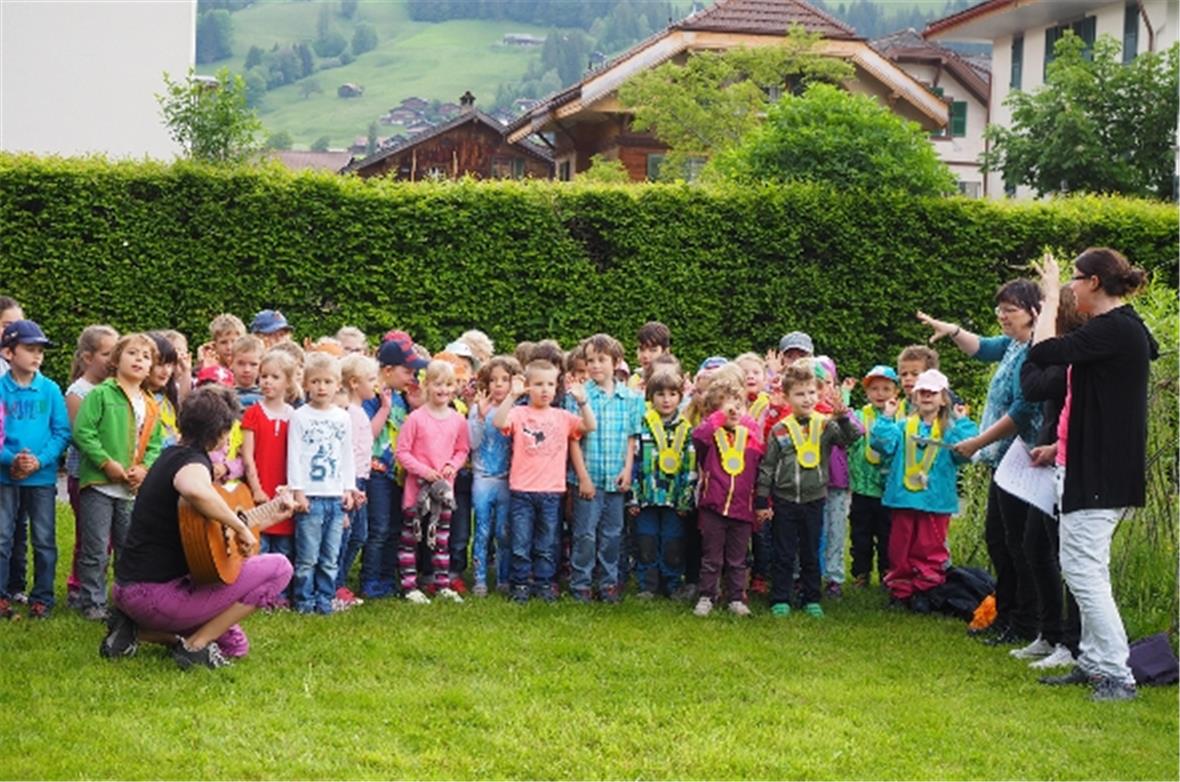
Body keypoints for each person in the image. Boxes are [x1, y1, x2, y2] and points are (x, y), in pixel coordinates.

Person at [1028, 249, 1156, 702]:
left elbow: (1042, 352)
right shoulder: (1119, 329)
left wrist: (1048, 298)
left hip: (1099, 472)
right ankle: (1095, 661)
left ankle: (1117, 675)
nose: (1070, 288)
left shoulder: (1114, 328)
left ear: (1095, 283)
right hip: (1088, 464)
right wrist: (1058, 446)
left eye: (1075, 279)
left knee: (1084, 571)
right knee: (1083, 567)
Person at [104, 385, 294, 670]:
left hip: (131, 589)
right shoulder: (193, 463)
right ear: (220, 432)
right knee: (279, 568)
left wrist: (274, 512)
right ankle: (194, 647)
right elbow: (194, 489)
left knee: (235, 646)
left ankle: (138, 630)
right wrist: (239, 527)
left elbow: (208, 531)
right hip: (154, 595)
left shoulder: (170, 455)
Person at [918, 279, 1043, 646]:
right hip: (1000, 461)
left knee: (1017, 545)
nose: (1002, 316)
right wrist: (952, 330)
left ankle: (1026, 622)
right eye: (999, 309)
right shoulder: (1013, 344)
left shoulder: (1036, 351)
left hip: (1022, 460)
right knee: (1000, 540)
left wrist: (977, 442)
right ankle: (1006, 614)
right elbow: (984, 348)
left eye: (1010, 310)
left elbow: (1023, 411)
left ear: (1034, 312)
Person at [1016, 285, 1086, 671]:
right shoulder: (1062, 351)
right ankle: (1050, 632)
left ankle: (1073, 642)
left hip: (1066, 463)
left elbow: (1034, 386)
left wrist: (1035, 350)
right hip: (1047, 457)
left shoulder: (1070, 353)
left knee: (1068, 555)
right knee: (1035, 545)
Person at [73, 333, 165, 621]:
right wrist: (105, 462)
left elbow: (155, 443)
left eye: (146, 356)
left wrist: (145, 468)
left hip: (131, 490)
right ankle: (92, 601)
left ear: (150, 368)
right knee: (96, 547)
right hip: (99, 486)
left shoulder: (150, 404)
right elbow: (83, 432)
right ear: (116, 360)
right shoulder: (101, 394)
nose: (139, 359)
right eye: (132, 353)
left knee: (128, 547)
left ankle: (126, 601)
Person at [755, 359, 857, 619]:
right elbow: (768, 466)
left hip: (815, 499)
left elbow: (850, 439)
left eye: (811, 392)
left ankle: (812, 597)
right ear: (787, 397)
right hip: (785, 499)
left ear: (819, 393)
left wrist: (843, 417)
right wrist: (762, 499)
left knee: (811, 550)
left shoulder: (826, 425)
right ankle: (781, 597)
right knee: (784, 551)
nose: (807, 398)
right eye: (800, 394)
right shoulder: (779, 430)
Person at [870, 369, 977, 610]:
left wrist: (963, 421)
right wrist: (886, 417)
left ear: (944, 399)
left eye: (933, 392)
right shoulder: (902, 426)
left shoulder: (950, 430)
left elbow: (966, 451)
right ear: (914, 397)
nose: (927, 396)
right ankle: (901, 590)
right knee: (900, 548)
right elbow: (881, 444)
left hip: (935, 501)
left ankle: (927, 590)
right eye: (922, 392)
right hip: (903, 498)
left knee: (930, 547)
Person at [494, 359, 593, 603]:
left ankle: (545, 583)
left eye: (550, 384)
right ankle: (520, 584)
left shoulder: (563, 416)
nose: (545, 389)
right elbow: (499, 422)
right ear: (527, 386)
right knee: (520, 542)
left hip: (551, 492)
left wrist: (582, 402)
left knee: (547, 542)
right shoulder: (519, 413)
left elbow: (590, 425)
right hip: (522, 491)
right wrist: (512, 396)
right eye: (538, 384)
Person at [0, 320, 71, 620]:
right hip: (5, 477)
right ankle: (2, 595)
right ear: (8, 352)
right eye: (30, 349)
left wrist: (39, 461)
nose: (37, 356)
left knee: (43, 539)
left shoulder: (50, 389)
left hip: (41, 478)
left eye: (40, 351)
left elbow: (62, 432)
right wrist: (11, 459)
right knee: (2, 537)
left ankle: (42, 597)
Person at [567, 334, 643, 603]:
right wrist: (583, 477)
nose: (595, 365)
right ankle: (581, 583)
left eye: (602, 360)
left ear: (617, 362)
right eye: (590, 361)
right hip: (588, 478)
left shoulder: (631, 398)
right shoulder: (579, 395)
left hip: (615, 478)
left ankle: (608, 583)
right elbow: (573, 439)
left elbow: (632, 438)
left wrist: (627, 470)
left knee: (612, 534)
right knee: (585, 534)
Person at [286, 353, 361, 615]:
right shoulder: (300, 416)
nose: (321, 387)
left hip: (335, 496)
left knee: (330, 555)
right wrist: (298, 491)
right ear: (306, 384)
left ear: (337, 384)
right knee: (308, 556)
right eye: (315, 381)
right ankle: (304, 601)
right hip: (311, 495)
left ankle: (325, 599)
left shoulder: (342, 417)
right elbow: (294, 455)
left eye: (328, 382)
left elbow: (347, 455)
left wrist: (348, 488)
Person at [395, 360, 470, 604]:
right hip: (417, 492)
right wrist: (424, 471)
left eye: (448, 384)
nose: (443, 390)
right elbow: (402, 452)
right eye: (437, 384)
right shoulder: (415, 418)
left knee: (441, 540)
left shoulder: (458, 420)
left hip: (444, 491)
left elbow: (462, 450)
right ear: (427, 385)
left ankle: (442, 584)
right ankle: (409, 585)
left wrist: (452, 466)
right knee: (411, 538)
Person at [359, 331, 427, 599]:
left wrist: (416, 405)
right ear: (387, 370)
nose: (413, 377)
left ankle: (387, 578)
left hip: (398, 473)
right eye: (407, 371)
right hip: (377, 472)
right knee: (378, 529)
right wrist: (384, 408)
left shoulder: (402, 397)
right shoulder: (371, 396)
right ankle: (370, 579)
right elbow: (366, 435)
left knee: (394, 528)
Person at [692, 366, 763, 617]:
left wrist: (763, 503)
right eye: (726, 405)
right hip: (713, 507)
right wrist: (719, 418)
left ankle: (736, 598)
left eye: (738, 405)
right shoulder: (711, 438)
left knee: (737, 559)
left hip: (742, 509)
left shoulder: (751, 439)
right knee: (711, 557)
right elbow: (698, 436)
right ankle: (707, 595)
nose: (733, 410)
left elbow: (761, 466)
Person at [63, 324, 118, 609]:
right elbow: (80, 436)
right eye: (107, 354)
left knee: (109, 537)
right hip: (85, 475)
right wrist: (108, 459)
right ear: (87, 357)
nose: (114, 359)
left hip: (113, 474)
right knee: (90, 536)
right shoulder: (79, 392)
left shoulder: (115, 389)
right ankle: (78, 587)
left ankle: (98, 585)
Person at [629, 368, 696, 599]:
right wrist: (633, 497)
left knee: (673, 541)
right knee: (645, 539)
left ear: (680, 397)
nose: (666, 400)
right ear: (650, 396)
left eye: (672, 394)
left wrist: (685, 500)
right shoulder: (642, 424)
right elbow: (634, 461)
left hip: (674, 498)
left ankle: (672, 584)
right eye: (660, 394)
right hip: (646, 497)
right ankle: (647, 584)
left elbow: (690, 466)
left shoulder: (686, 429)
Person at [240, 349, 298, 606]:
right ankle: (255, 596)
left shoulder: (294, 416)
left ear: (288, 381)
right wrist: (256, 488)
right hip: (261, 488)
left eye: (274, 377)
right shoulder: (253, 413)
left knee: (283, 546)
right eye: (263, 376)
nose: (267, 382)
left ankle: (279, 595)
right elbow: (247, 455)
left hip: (284, 490)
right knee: (259, 543)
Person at [468, 355, 521, 597]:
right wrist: (479, 417)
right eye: (493, 380)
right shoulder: (478, 409)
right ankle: (479, 579)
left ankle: (503, 578)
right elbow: (472, 442)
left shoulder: (517, 411)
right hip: (483, 478)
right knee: (482, 530)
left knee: (503, 531)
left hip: (507, 479)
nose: (498, 385)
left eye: (504, 379)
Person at [847, 365, 899, 589]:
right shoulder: (859, 416)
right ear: (867, 392)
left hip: (888, 491)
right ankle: (861, 573)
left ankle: (887, 573)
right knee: (860, 535)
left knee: (888, 535)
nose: (880, 394)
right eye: (875, 389)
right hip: (862, 489)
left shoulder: (900, 417)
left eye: (886, 389)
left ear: (895, 392)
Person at [335, 353, 378, 608]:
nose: (375, 384)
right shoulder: (347, 413)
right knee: (346, 534)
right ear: (353, 382)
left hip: (360, 480)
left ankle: (339, 581)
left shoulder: (359, 411)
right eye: (370, 379)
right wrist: (349, 487)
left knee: (359, 535)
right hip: (348, 483)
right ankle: (335, 584)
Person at [146, 332, 181, 449]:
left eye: (170, 365)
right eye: (160, 364)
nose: (166, 371)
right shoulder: (139, 399)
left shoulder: (167, 397)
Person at [631, 321, 671, 391]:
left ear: (665, 352)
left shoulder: (674, 381)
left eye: (653, 350)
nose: (645, 355)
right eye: (642, 349)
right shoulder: (634, 380)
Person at [231, 334, 265, 409]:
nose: (247, 370)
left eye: (253, 364)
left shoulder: (268, 396)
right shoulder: (225, 397)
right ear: (231, 364)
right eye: (241, 363)